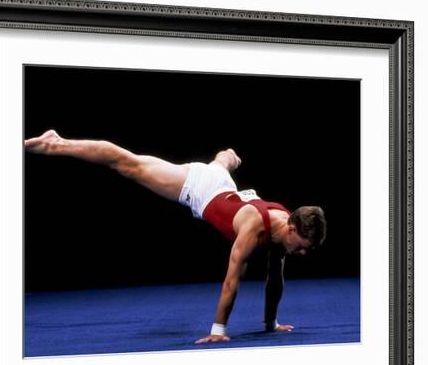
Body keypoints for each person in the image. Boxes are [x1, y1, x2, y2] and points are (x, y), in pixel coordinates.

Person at [24, 130, 327, 344]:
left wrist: (271, 324)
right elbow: (232, 280)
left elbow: (275, 278)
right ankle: (56, 143)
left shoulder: (287, 224)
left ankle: (226, 157)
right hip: (199, 189)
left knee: (220, 164)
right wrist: (219, 329)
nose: (301, 254)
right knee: (127, 164)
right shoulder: (255, 229)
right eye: (301, 247)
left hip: (224, 184)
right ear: (291, 228)